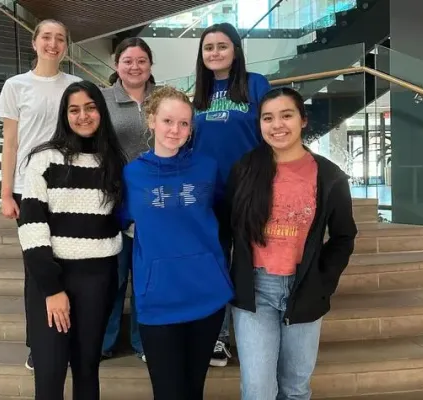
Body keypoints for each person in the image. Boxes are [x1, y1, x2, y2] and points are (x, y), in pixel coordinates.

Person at [226, 87, 357, 400]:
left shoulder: (329, 176)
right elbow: (225, 227)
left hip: (305, 288)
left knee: (296, 389)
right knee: (258, 391)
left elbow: (343, 235)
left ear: (303, 120)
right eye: (268, 118)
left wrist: (324, 281)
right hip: (255, 291)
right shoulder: (244, 170)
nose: (277, 125)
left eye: (286, 115)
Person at [121, 86, 233, 400]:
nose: (176, 129)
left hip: (206, 294)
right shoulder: (132, 175)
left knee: (193, 389)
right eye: (169, 121)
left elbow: (224, 213)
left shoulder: (207, 168)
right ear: (151, 120)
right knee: (168, 392)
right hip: (158, 299)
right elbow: (121, 221)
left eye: (184, 123)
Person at [17, 80, 127, 399]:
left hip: (98, 277)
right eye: (74, 109)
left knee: (87, 370)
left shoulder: (114, 163)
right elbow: (32, 227)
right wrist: (52, 289)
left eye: (90, 107)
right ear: (64, 115)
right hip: (51, 279)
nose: (83, 116)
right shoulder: (44, 159)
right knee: (49, 376)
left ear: (101, 112)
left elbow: (122, 219)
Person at [0, 19, 81, 371]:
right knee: (37, 266)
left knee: (70, 262)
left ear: (66, 47)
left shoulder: (76, 85)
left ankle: (69, 334)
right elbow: (10, 143)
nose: (53, 43)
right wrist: (4, 194)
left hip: (68, 184)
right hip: (27, 187)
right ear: (34, 43)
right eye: (47, 37)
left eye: (60, 38)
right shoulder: (16, 86)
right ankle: (38, 342)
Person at [192, 22, 271, 367]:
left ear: (235, 50)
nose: (215, 53)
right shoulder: (197, 93)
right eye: (208, 47)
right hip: (210, 194)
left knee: (253, 264)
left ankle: (260, 335)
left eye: (222, 46)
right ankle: (219, 339)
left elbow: (271, 133)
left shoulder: (256, 85)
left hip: (250, 190)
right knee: (216, 264)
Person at [101, 37, 155, 362]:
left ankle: (144, 342)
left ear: (150, 65)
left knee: (147, 276)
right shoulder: (102, 99)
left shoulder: (165, 99)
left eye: (141, 61)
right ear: (116, 64)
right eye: (128, 61)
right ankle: (104, 342)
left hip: (156, 201)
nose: (134, 67)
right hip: (115, 199)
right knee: (114, 275)